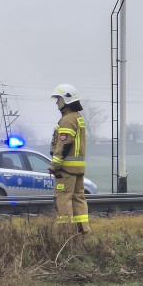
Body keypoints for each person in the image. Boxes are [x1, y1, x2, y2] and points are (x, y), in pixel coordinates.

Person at [49, 83, 90, 234]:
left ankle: (65, 233)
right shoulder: (78, 117)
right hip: (78, 168)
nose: (56, 102)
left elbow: (64, 143)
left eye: (58, 99)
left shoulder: (67, 119)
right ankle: (83, 231)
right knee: (78, 198)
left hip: (66, 169)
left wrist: (55, 165)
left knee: (63, 198)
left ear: (66, 99)